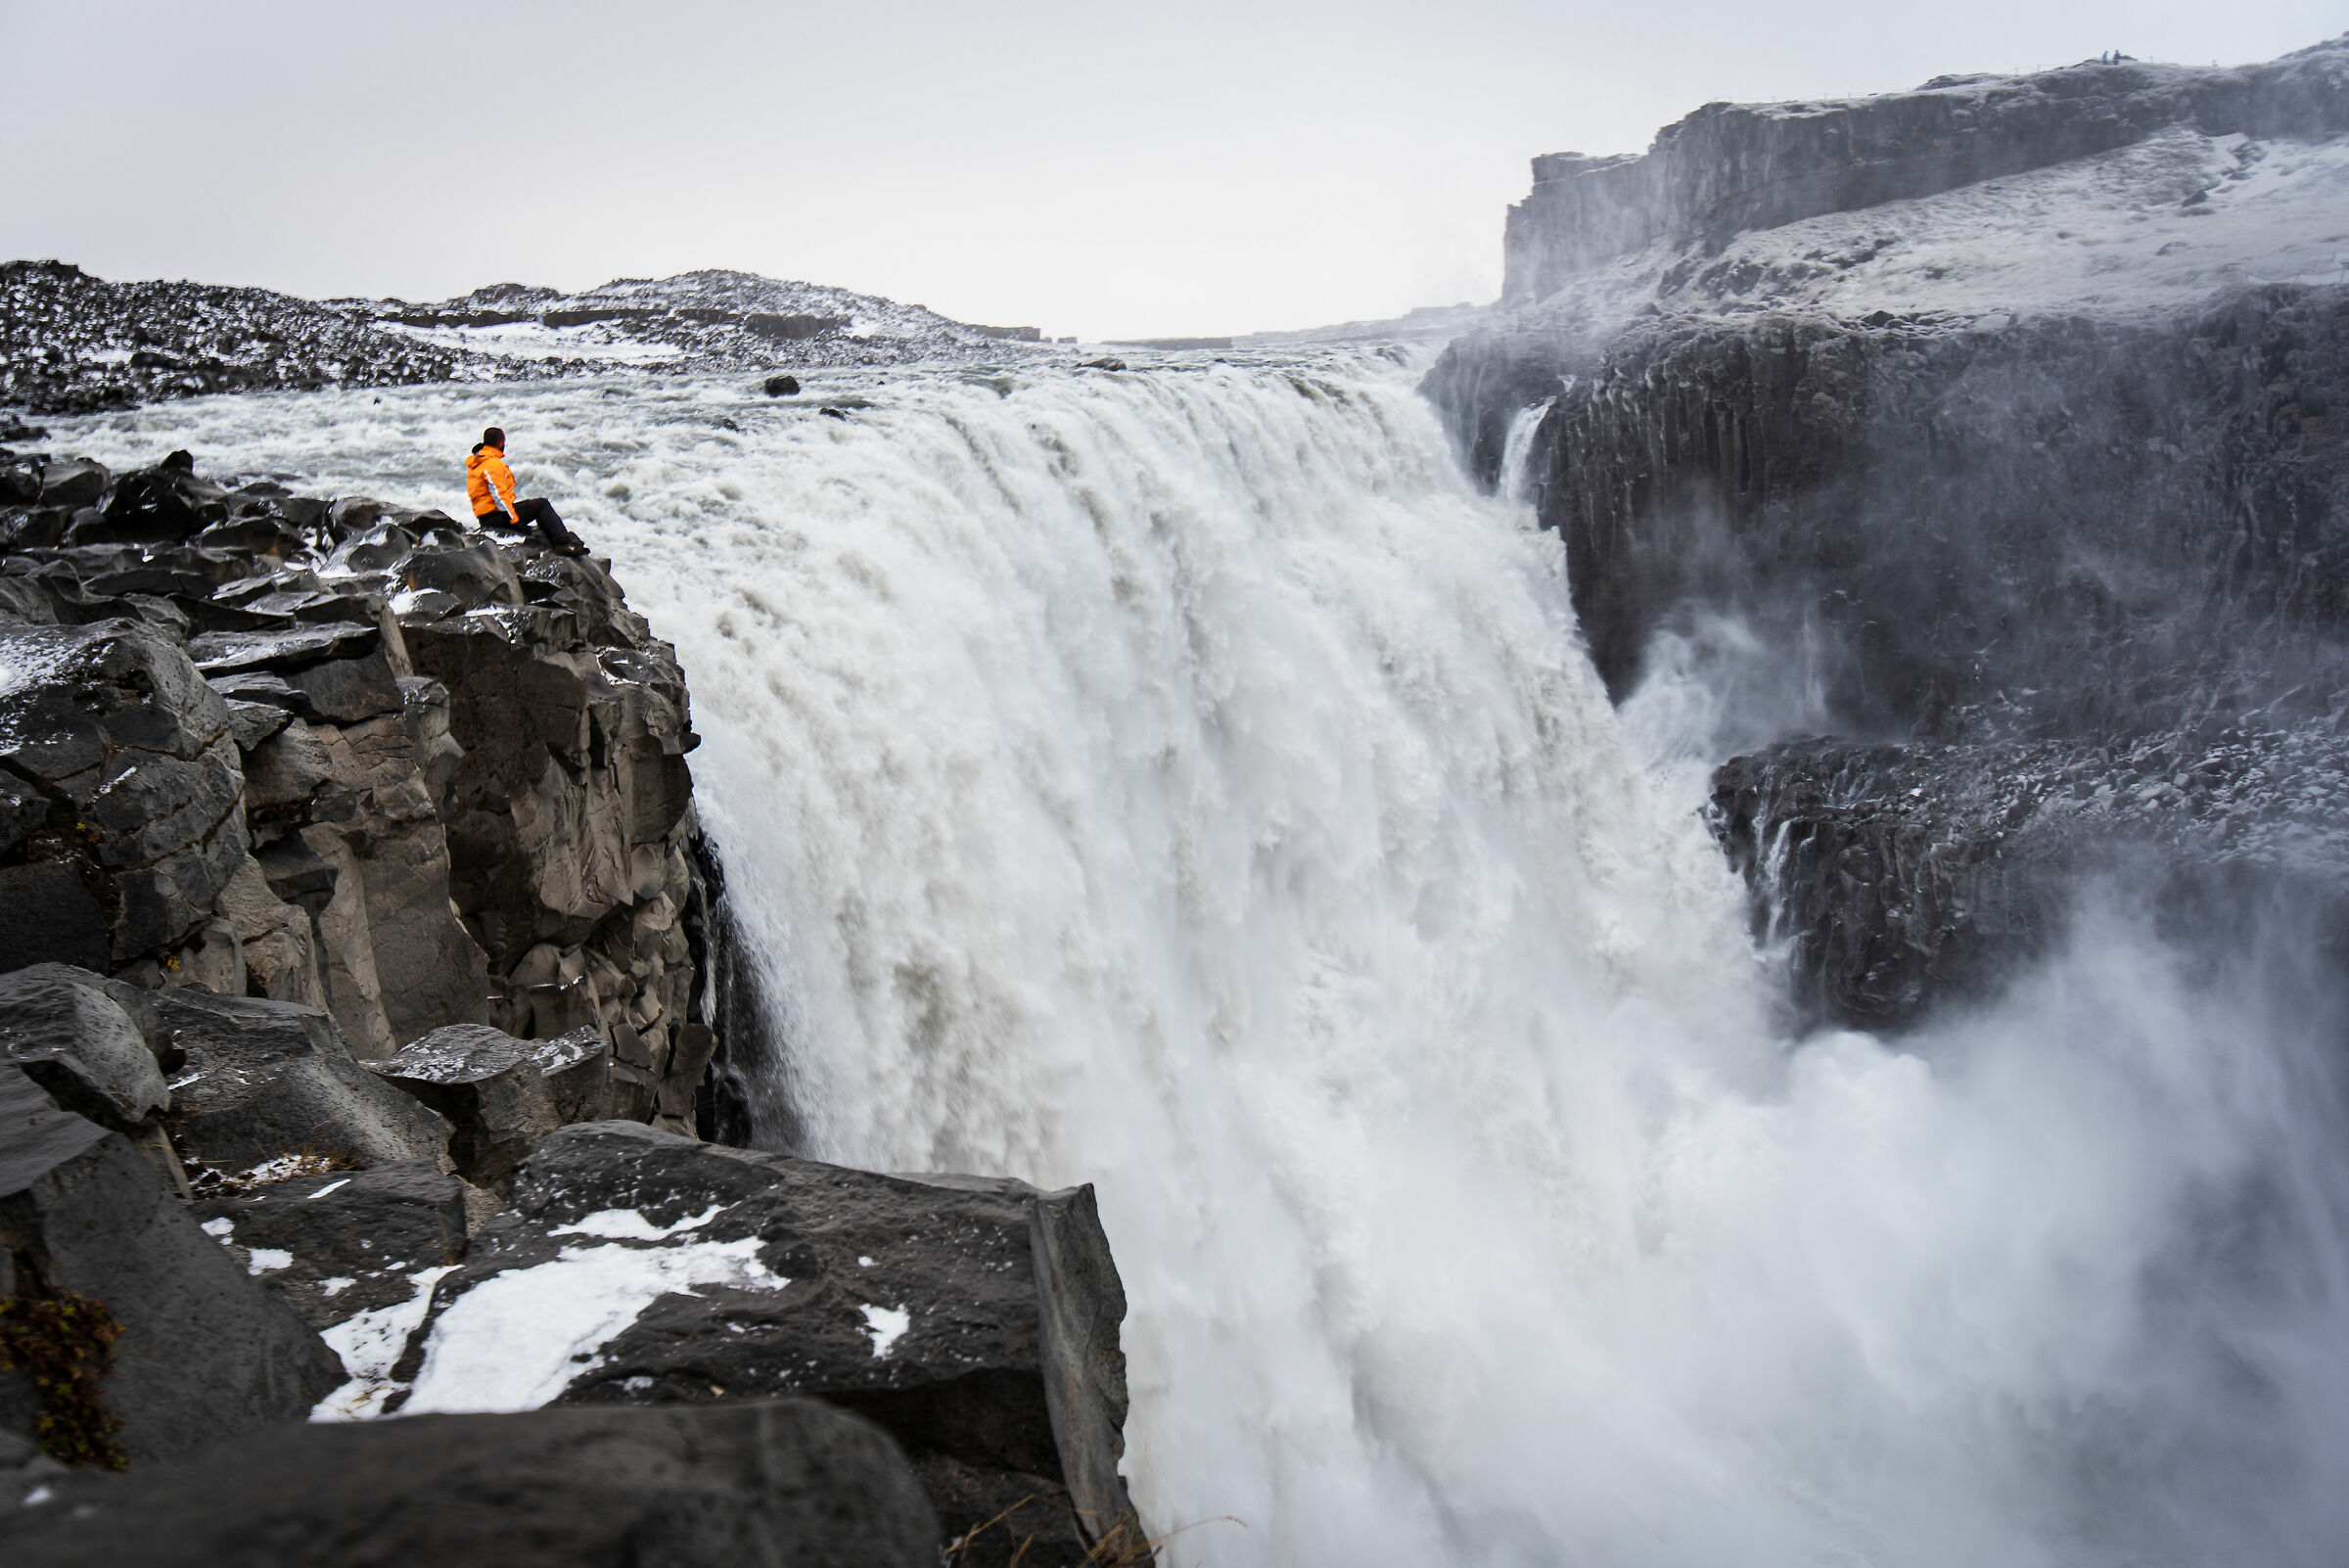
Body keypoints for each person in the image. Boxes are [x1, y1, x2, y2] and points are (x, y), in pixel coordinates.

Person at [465, 427, 589, 555]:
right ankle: (564, 544)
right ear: (500, 443)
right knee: (541, 505)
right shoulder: (492, 464)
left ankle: (553, 538)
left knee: (537, 506)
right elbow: (499, 497)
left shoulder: (477, 462)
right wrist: (516, 522)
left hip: (485, 518)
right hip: (496, 518)